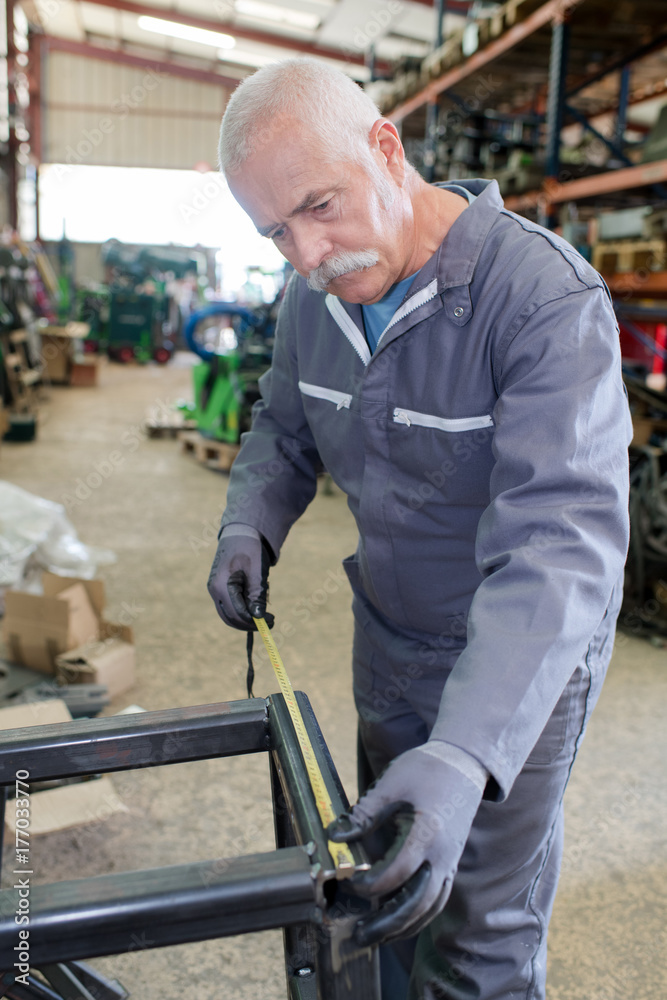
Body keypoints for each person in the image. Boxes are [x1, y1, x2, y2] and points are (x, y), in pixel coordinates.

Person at [208, 57, 632, 1000]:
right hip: (390, 637)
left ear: (386, 150)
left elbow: (559, 547)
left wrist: (466, 751)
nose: (307, 255)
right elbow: (282, 422)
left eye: (319, 206)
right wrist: (251, 522)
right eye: (275, 231)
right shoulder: (313, 297)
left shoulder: (540, 301)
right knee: (388, 882)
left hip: (519, 666)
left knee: (479, 934)